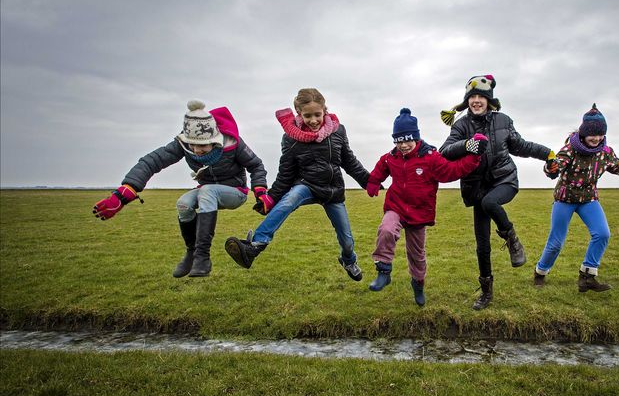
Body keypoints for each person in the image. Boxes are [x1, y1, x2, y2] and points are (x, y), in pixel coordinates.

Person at [92, 100, 268, 278]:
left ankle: (203, 258)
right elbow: (152, 160)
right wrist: (126, 191)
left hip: (235, 192)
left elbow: (256, 165)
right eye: (193, 145)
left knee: (208, 190)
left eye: (202, 146)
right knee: (183, 203)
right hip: (207, 192)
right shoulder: (183, 144)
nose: (197, 150)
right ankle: (191, 254)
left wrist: (260, 192)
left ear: (215, 140)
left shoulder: (233, 143)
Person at [224, 88, 371, 281]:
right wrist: (271, 197)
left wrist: (370, 182)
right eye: (307, 115)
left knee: (347, 241)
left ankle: (349, 260)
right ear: (298, 113)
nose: (313, 120)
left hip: (333, 191)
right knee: (288, 200)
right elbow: (286, 174)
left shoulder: (338, 131)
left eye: (317, 114)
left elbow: (349, 161)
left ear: (324, 111)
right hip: (307, 185)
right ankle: (255, 245)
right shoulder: (291, 139)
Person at [440, 74, 556, 310]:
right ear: (467, 101)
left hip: (504, 180)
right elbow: (444, 152)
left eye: (480, 96)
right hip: (476, 188)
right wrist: (467, 144)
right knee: (482, 245)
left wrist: (547, 153)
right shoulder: (461, 125)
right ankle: (486, 293)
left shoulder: (503, 120)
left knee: (490, 203)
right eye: (471, 97)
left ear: (489, 100)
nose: (476, 101)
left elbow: (521, 146)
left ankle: (512, 238)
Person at [535, 103, 619, 292]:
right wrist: (550, 168)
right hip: (565, 199)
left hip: (588, 199)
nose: (596, 138)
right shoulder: (570, 149)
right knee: (556, 242)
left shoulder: (606, 153)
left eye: (600, 134)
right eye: (592, 134)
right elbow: (556, 166)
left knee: (602, 233)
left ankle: (587, 276)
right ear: (583, 133)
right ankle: (540, 272)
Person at [365, 108, 485, 306]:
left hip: (419, 212)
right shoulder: (391, 156)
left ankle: (418, 285)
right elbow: (381, 166)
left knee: (417, 254)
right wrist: (373, 182)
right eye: (398, 141)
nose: (403, 145)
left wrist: (473, 157)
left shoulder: (430, 157)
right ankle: (384, 272)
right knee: (386, 229)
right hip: (396, 206)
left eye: (407, 140)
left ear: (416, 138)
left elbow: (451, 171)